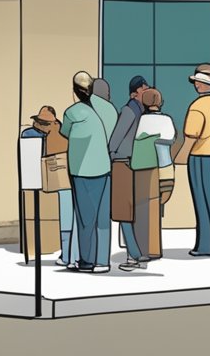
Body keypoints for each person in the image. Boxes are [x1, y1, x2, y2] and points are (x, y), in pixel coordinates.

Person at [60, 71, 116, 273]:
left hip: (82, 169)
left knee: (85, 218)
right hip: (104, 167)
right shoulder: (109, 109)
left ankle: (86, 261)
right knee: (102, 217)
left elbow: (64, 132)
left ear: (75, 90)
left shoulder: (72, 112)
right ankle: (102, 261)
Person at [123, 88, 173, 271]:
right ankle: (154, 249)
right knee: (156, 208)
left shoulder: (142, 120)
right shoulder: (167, 120)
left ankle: (143, 249)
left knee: (142, 209)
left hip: (143, 168)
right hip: (164, 167)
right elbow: (171, 138)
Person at [24, 106, 78, 268]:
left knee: (66, 216)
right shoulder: (60, 134)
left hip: (53, 182)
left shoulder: (32, 135)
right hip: (63, 181)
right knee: (68, 216)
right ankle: (68, 254)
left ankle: (67, 254)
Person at [184, 64, 210, 257]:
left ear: (200, 85)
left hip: (199, 158)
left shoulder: (197, 106)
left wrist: (180, 158)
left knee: (201, 202)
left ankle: (203, 245)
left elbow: (191, 135)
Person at [109, 76, 147, 266]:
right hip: (124, 163)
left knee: (128, 210)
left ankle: (134, 253)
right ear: (134, 93)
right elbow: (115, 139)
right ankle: (134, 252)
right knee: (125, 211)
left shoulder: (141, 111)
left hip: (130, 164)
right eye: (143, 88)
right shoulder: (130, 111)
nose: (146, 91)